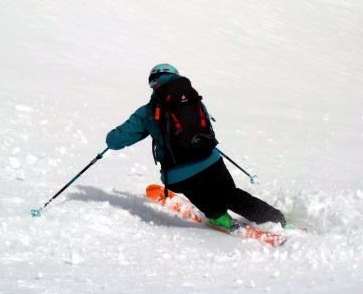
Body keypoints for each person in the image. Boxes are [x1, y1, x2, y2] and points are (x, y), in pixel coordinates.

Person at [105, 64, 287, 230]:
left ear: (153, 84)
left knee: (193, 188)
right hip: (210, 162)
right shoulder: (196, 101)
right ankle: (276, 220)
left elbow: (115, 141)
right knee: (230, 195)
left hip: (177, 176)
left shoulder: (147, 112)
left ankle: (219, 217)